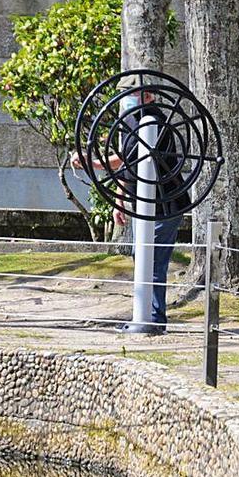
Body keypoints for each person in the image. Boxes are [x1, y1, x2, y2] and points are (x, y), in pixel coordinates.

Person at [72, 81, 190, 335]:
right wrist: (119, 200)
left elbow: (131, 158)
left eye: (132, 94)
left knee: (153, 261)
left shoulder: (155, 121)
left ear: (147, 96)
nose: (126, 99)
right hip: (143, 202)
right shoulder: (131, 121)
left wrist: (92, 163)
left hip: (164, 203)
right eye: (123, 94)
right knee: (141, 257)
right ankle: (145, 313)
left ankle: (154, 318)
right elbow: (129, 166)